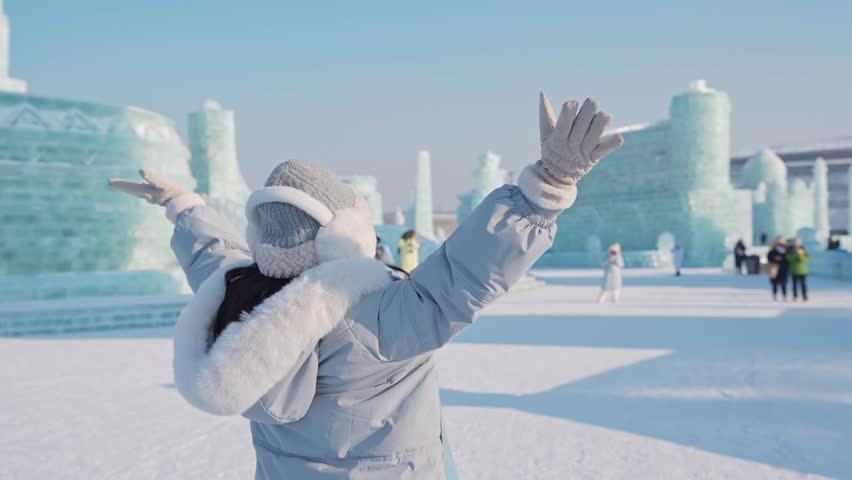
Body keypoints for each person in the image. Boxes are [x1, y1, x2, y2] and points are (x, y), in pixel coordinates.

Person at [107, 94, 624, 479]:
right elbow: (464, 273)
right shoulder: (372, 315)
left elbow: (212, 255)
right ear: (341, 233)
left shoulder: (235, 294)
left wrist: (183, 206)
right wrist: (545, 187)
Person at [767, 236, 789, 301]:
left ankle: (784, 295)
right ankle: (775, 295)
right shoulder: (772, 250)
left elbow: (788, 258)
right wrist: (774, 258)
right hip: (774, 267)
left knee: (783, 283)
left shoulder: (786, 250)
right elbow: (769, 257)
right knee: (774, 283)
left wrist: (782, 258)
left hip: (783, 268)